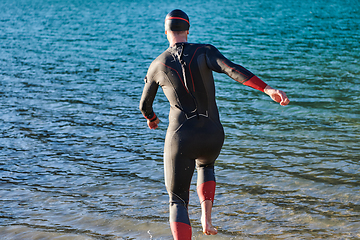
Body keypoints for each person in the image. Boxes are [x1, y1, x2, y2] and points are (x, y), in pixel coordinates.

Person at [139, 9, 290, 239]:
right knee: (205, 166)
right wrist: (267, 89)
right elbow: (232, 69)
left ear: (166, 31)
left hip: (182, 139)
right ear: (187, 30)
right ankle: (207, 219)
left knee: (178, 200)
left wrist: (152, 119)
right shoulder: (205, 51)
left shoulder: (157, 65)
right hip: (212, 135)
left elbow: (144, 105)